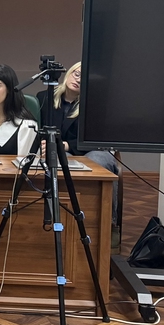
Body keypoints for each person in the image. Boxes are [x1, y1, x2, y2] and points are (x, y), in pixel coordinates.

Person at [41, 62, 121, 243]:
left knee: (98, 162)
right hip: (59, 151)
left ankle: (107, 223)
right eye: (76, 74)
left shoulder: (95, 104)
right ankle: (62, 218)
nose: (78, 80)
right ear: (69, 73)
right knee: (60, 164)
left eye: (84, 79)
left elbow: (97, 136)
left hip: (91, 149)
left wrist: (67, 146)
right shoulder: (45, 97)